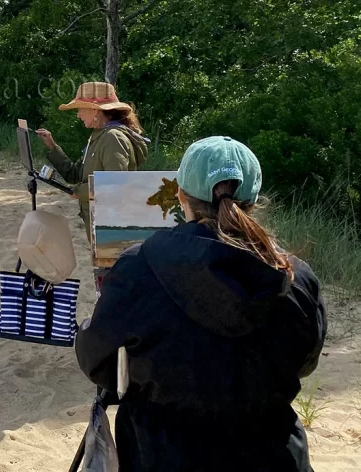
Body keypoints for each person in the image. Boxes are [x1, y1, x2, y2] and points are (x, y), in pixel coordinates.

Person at [74, 135, 327, 471]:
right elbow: (305, 362)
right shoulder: (297, 276)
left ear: (180, 195)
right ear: (253, 199)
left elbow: (98, 361)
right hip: (273, 454)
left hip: (162, 454)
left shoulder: (138, 268)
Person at [35, 81, 148, 241]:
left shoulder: (112, 138)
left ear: (95, 110)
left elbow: (115, 186)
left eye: (80, 109)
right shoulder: (99, 136)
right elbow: (75, 174)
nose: (78, 115)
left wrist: (79, 191)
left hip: (112, 229)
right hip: (101, 224)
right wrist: (53, 147)